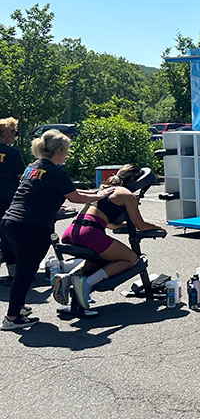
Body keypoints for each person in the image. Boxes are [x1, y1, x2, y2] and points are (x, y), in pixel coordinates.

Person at [1, 130, 115, 330]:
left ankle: (18, 308)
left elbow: (70, 191)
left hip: (10, 222)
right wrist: (100, 196)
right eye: (66, 150)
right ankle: (12, 318)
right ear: (59, 150)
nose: (67, 154)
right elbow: (75, 197)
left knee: (24, 270)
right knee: (25, 273)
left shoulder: (33, 167)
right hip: (30, 226)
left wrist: (96, 192)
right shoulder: (56, 171)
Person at [51, 163, 165, 310]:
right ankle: (87, 284)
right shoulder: (126, 194)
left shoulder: (103, 189)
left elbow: (110, 225)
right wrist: (158, 228)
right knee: (130, 258)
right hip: (89, 234)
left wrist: (123, 226)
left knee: (101, 258)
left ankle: (68, 277)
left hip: (71, 232)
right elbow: (141, 225)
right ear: (134, 179)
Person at [0, 117, 26, 285]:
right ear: (6, 134)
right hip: (8, 200)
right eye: (13, 132)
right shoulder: (12, 153)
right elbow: (23, 177)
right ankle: (14, 273)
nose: (14, 135)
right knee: (9, 237)